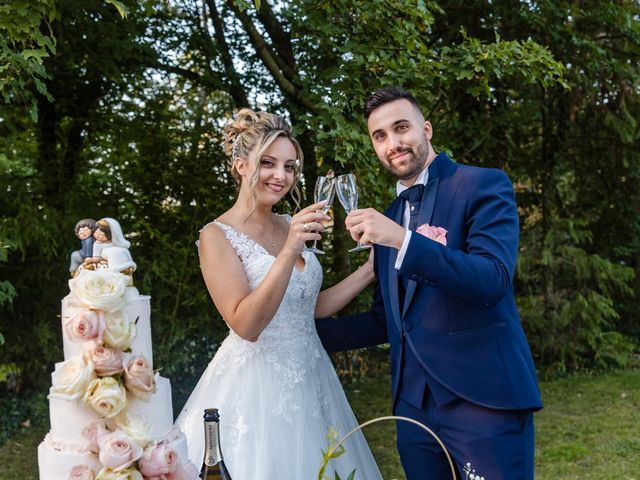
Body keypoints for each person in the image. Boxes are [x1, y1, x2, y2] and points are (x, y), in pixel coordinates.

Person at [316, 87, 542, 480]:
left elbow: (493, 280)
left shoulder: (483, 185)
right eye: (380, 136)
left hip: (483, 403)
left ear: (427, 129)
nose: (393, 143)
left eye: (401, 128)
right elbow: (388, 320)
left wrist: (402, 240)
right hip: (413, 412)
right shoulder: (387, 215)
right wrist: (304, 335)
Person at [175, 109, 382, 479]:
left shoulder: (291, 223)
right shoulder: (217, 236)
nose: (281, 176)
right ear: (240, 165)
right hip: (255, 387)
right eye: (268, 163)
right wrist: (288, 250)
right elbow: (246, 324)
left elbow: (308, 306)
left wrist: (370, 269)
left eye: (290, 166)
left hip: (312, 376)